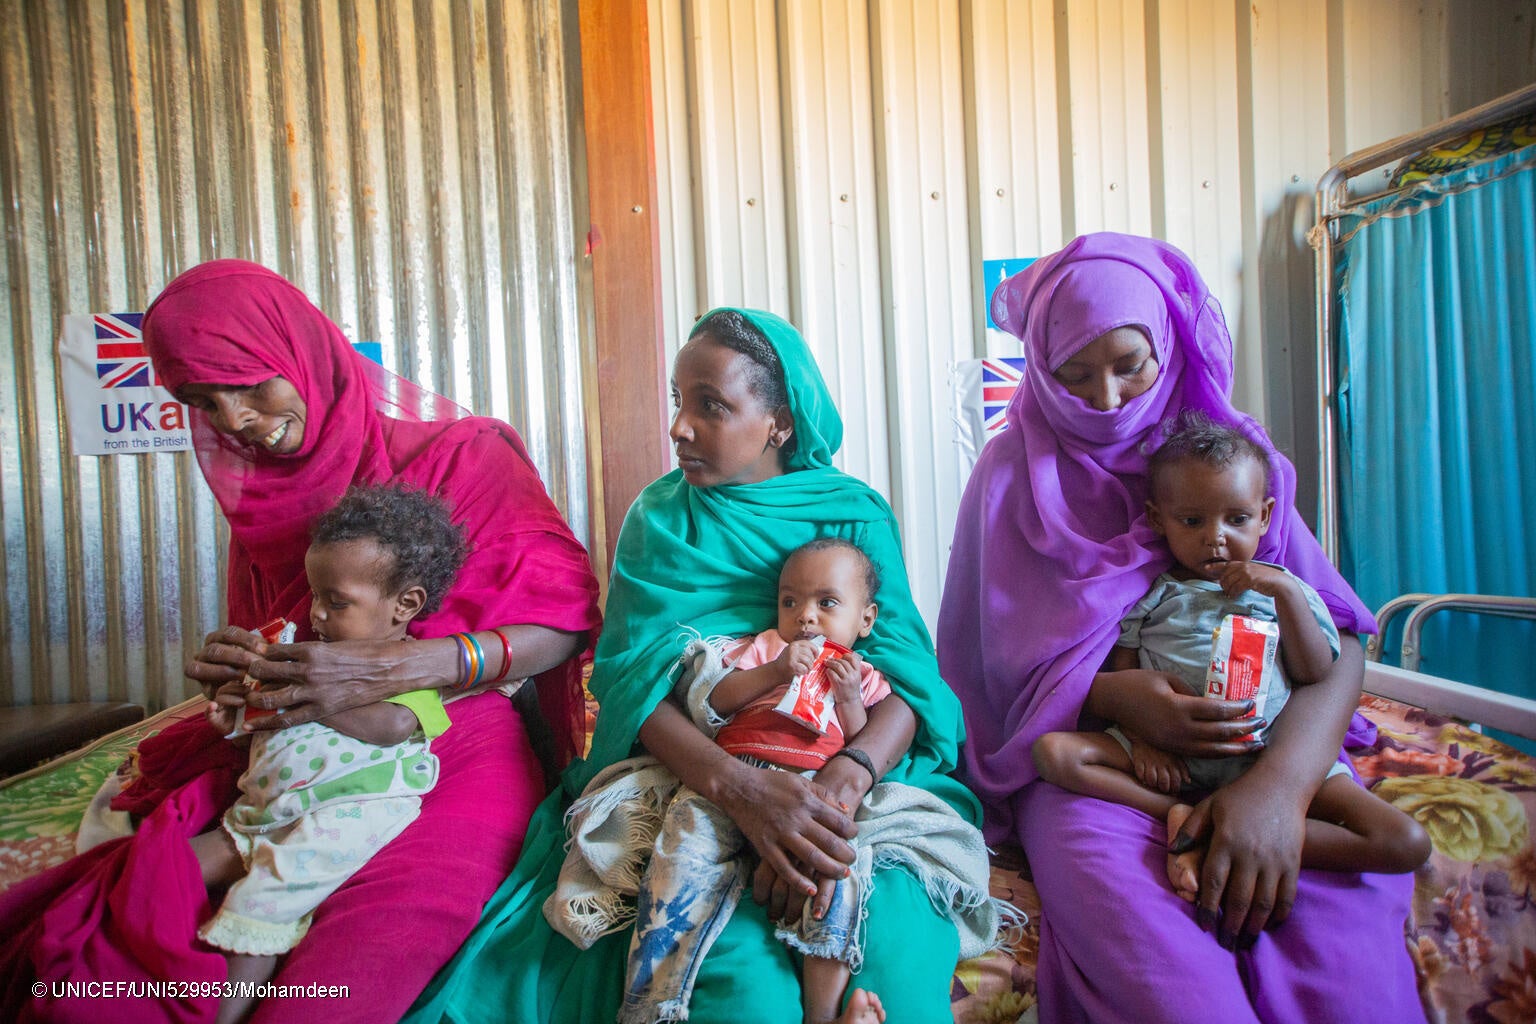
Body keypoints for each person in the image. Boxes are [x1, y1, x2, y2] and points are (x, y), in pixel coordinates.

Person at [0, 260, 602, 1024]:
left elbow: (564, 617)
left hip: (452, 730)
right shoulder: (267, 504)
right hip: (299, 738)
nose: (235, 419)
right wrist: (241, 677)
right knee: (120, 937)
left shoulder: (464, 456)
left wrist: (408, 663)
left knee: (361, 961)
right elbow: (289, 642)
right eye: (201, 401)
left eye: (251, 383)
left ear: (302, 351)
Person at [408, 308, 988, 1024]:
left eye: (710, 406)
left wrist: (841, 785)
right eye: (679, 402)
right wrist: (744, 794)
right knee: (739, 994)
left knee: (896, 972)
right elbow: (631, 686)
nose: (680, 427)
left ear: (778, 421)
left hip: (845, 770)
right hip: (700, 775)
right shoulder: (661, 521)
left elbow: (909, 680)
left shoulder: (852, 515)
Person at [938, 232, 1428, 1023]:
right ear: (1039, 368)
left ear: (1168, 342)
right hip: (1111, 781)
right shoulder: (1009, 481)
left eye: (1130, 363)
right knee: (1178, 1000)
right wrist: (1119, 696)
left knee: (1352, 988)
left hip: (1268, 759)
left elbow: (1337, 642)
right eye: (1074, 372)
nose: (1107, 398)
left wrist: (1277, 793)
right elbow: (988, 670)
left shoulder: (1230, 463)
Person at [546, 537, 1000, 1024]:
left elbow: (861, 738)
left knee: (841, 876)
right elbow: (716, 700)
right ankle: (654, 1003)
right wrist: (774, 670)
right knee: (676, 864)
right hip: (730, 778)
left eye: (826, 603)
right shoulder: (765, 646)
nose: (805, 616)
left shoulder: (862, 673)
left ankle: (823, 1013)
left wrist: (848, 697)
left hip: (814, 784)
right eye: (790, 602)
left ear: (865, 620)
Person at [1031, 412, 1430, 901]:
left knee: (1405, 842)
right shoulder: (1155, 594)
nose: (1215, 536)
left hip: (1268, 754)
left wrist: (1283, 593)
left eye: (1236, 519)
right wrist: (1143, 739)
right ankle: (1176, 813)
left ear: (1264, 516)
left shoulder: (1288, 590)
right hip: (1179, 758)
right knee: (1055, 754)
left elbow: (1316, 672)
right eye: (1193, 521)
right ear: (1159, 520)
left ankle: (1214, 829)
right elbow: (1125, 667)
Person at [193, 483, 467, 1023]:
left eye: (335, 601)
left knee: (261, 904)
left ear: (405, 605)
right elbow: (266, 731)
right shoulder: (311, 656)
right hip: (259, 813)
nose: (316, 614)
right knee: (167, 867)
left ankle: (225, 1015)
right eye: (315, 596)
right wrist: (238, 713)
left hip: (339, 815)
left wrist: (297, 693)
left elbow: (391, 728)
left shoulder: (411, 667)